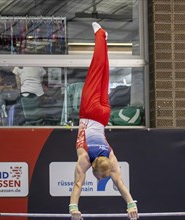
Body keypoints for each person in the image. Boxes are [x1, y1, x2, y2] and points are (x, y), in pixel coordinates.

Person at [69, 22, 138, 220]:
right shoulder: (84, 159)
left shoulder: (110, 156)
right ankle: (100, 35)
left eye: (103, 177)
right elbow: (78, 184)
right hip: (90, 111)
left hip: (103, 115)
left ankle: (104, 39)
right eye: (103, 177)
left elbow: (121, 185)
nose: (103, 179)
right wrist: (73, 208)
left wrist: (131, 205)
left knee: (104, 73)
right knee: (96, 70)